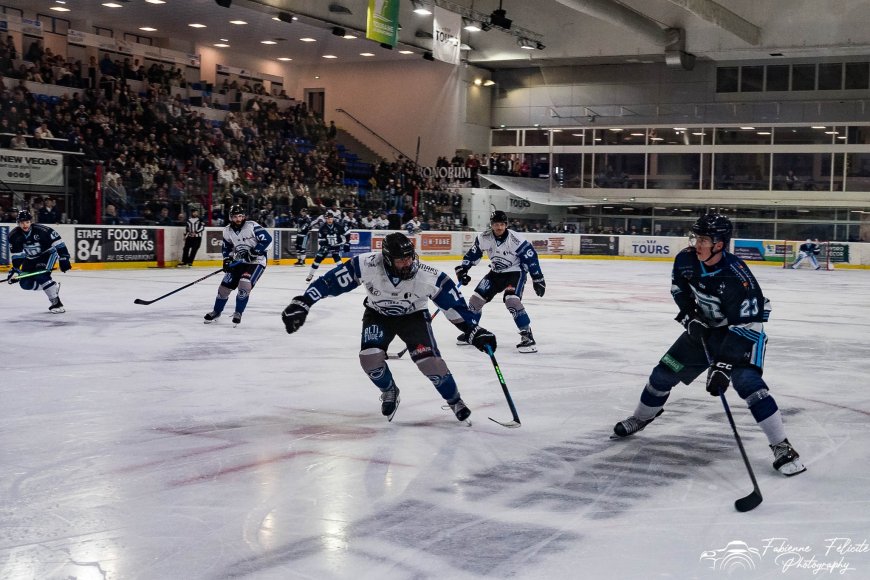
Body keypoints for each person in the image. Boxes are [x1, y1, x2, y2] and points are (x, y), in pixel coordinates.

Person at [612, 213, 806, 477]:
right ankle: (642, 417)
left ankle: (781, 445)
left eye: (703, 240)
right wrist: (690, 316)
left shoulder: (738, 277)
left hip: (744, 332)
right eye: (696, 238)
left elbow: (746, 325)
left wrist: (723, 366)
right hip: (706, 328)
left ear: (719, 244)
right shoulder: (686, 259)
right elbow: (678, 290)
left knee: (748, 383)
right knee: (662, 374)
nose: (697, 244)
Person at [281, 232, 497, 423]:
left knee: (430, 363)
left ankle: (454, 400)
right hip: (378, 315)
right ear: (387, 259)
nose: (408, 263)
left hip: (413, 317)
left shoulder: (428, 275)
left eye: (410, 257)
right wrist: (304, 302)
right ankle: (389, 390)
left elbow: (454, 307)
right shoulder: (367, 264)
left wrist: (473, 330)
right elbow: (331, 282)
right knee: (369, 360)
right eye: (401, 260)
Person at [455, 210, 546, 353]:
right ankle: (472, 331)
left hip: (515, 273)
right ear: (491, 225)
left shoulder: (516, 239)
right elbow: (473, 254)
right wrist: (463, 269)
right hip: (495, 273)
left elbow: (531, 258)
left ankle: (527, 336)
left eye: (502, 224)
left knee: (512, 300)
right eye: (496, 224)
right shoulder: (484, 237)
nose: (499, 227)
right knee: (475, 301)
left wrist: (538, 278)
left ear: (506, 225)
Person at [203, 205, 272, 326]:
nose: (238, 219)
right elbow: (227, 247)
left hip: (256, 262)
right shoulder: (227, 230)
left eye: (240, 216)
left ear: (244, 216)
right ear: (231, 217)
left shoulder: (252, 226)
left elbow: (267, 240)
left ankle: (238, 312)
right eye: (235, 216)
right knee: (224, 287)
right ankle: (216, 311)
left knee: (244, 284)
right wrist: (227, 260)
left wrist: (254, 252)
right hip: (239, 261)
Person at [6, 210, 72, 313]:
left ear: (31, 222)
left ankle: (56, 303)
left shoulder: (43, 230)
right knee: (25, 284)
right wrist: (15, 269)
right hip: (30, 258)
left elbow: (59, 243)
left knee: (41, 275)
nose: (25, 225)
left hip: (47, 255)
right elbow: (17, 255)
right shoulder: (13, 235)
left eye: (27, 222)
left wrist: (64, 257)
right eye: (22, 222)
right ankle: (52, 286)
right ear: (18, 223)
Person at [305, 213, 347, 282]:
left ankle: (343, 274)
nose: (329, 220)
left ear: (333, 218)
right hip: (326, 246)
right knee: (317, 260)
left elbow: (345, 235)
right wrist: (324, 245)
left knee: (337, 259)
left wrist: (344, 243)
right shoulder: (322, 227)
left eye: (330, 218)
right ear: (326, 219)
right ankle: (310, 274)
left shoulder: (338, 226)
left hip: (335, 245)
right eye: (328, 219)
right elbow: (320, 239)